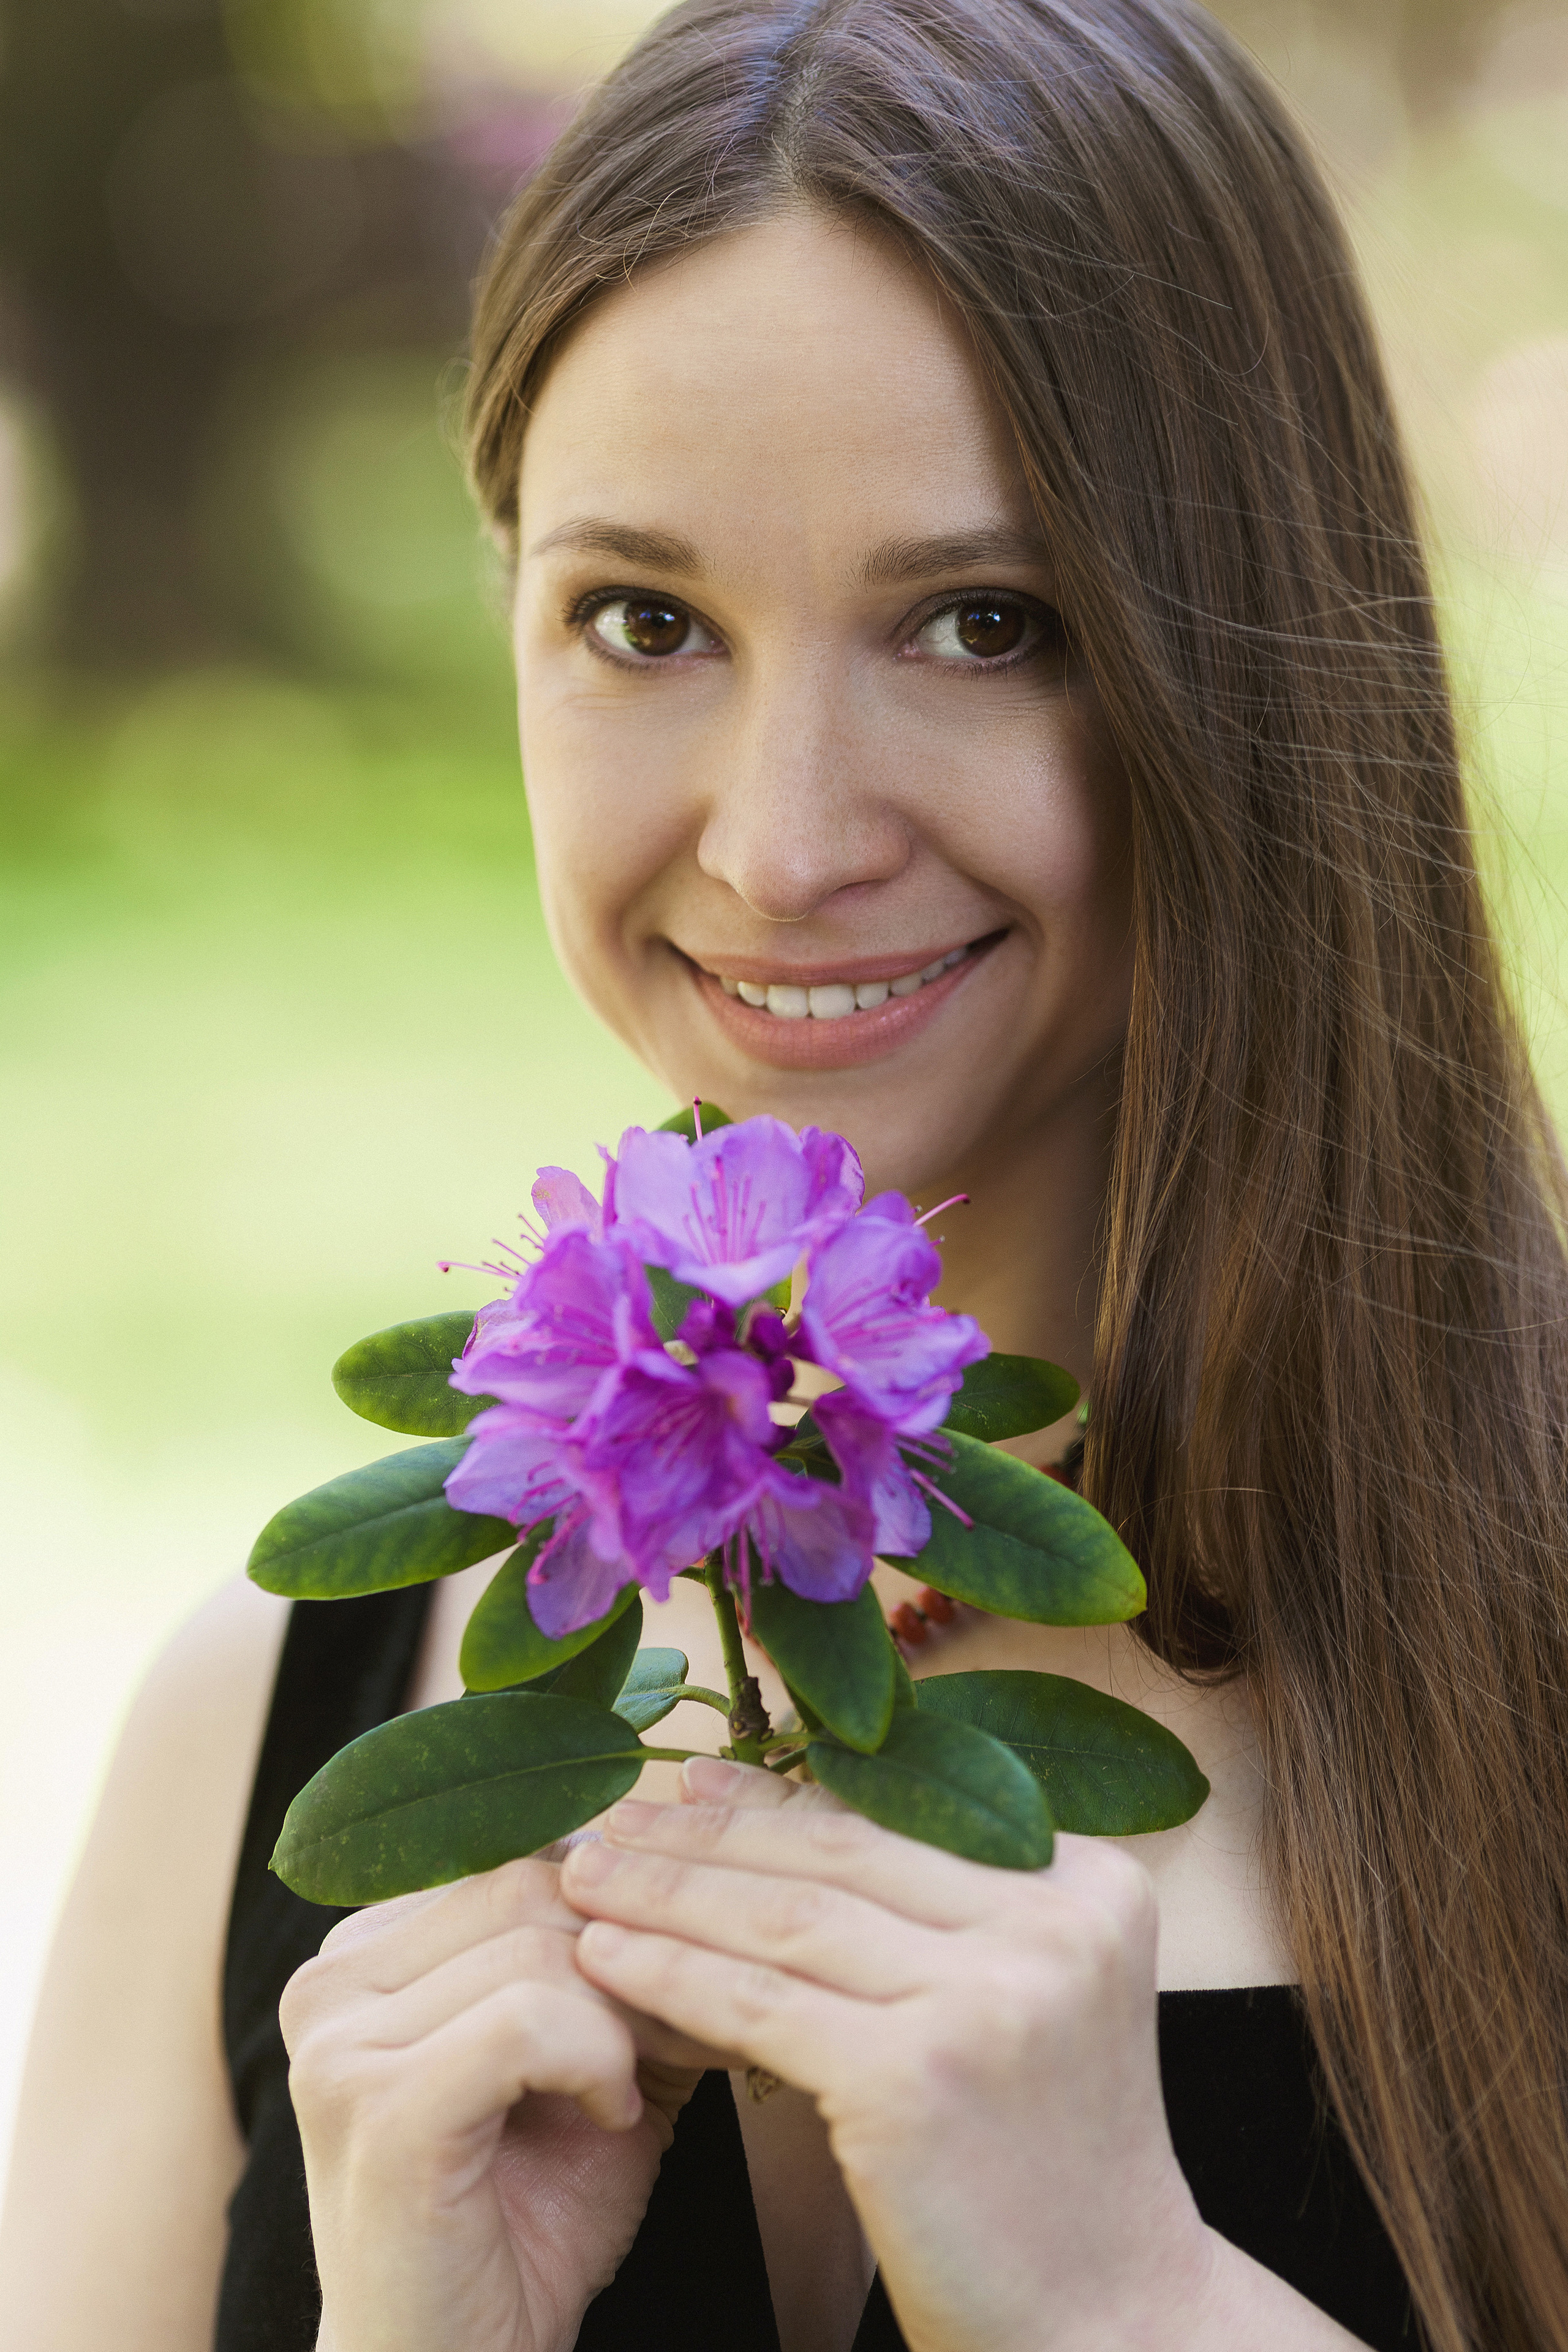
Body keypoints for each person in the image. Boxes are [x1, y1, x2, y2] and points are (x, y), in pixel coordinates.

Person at [7, 0, 1568, 2345]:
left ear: (1246, 657)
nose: (784, 837)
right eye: (645, 622)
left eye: (980, 623)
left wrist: (1125, 2302)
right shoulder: (269, 1732)